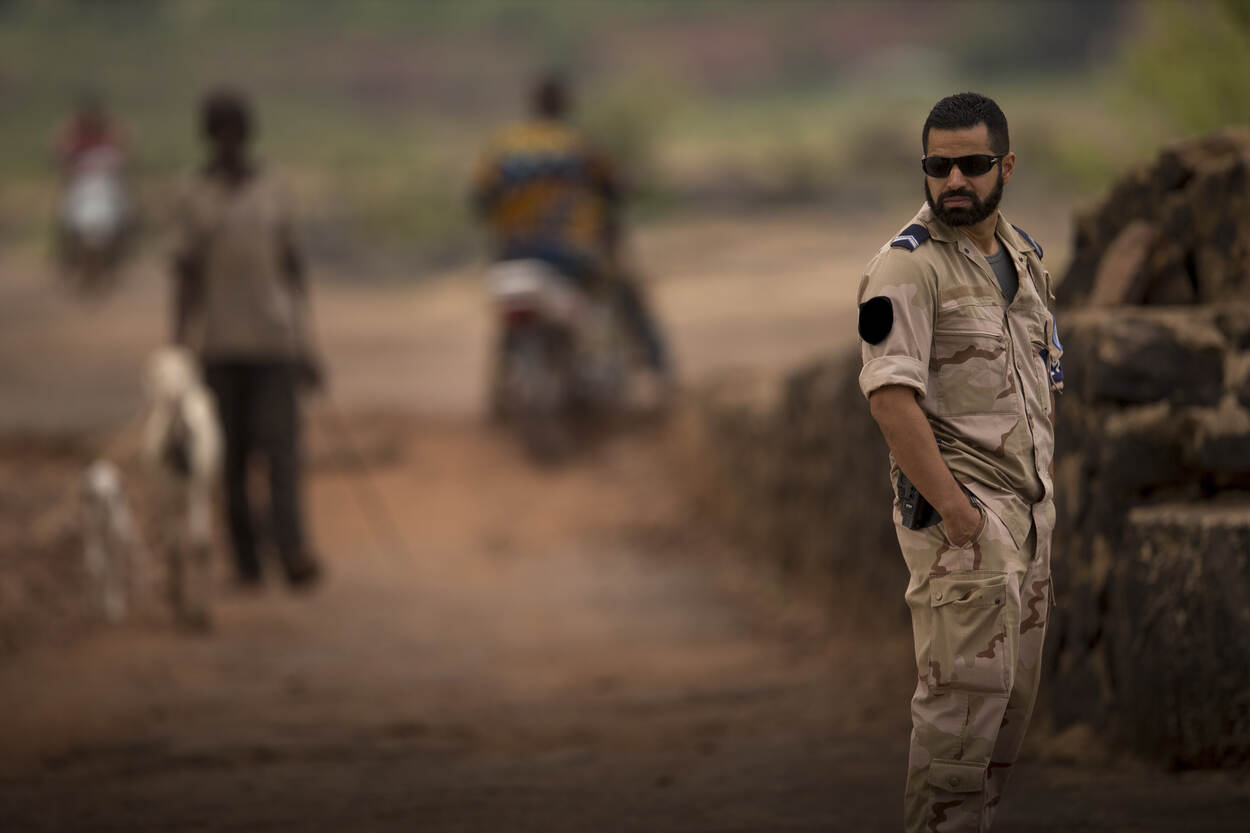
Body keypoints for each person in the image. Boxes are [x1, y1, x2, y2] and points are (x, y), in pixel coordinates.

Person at [857, 92, 1063, 832]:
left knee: (1001, 739)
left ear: (1004, 166)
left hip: (1029, 528)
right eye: (938, 166)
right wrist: (958, 513)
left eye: (972, 165)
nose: (954, 181)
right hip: (966, 537)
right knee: (956, 746)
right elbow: (889, 400)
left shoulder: (1025, 258)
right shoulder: (903, 270)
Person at [170, 88, 323, 589]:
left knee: (281, 451)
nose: (229, 140)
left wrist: (309, 344)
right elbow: (185, 273)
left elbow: (294, 267)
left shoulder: (274, 188)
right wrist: (177, 348)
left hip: (274, 343)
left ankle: (293, 548)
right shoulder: (193, 193)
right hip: (217, 345)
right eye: (221, 130)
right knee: (229, 459)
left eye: (237, 129)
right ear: (210, 135)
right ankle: (246, 560)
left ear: (248, 132)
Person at [471, 73, 673, 388]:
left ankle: (500, 390)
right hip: (570, 254)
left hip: (513, 252)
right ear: (564, 105)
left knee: (506, 323)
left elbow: (480, 199)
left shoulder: (503, 146)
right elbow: (613, 190)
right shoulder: (579, 145)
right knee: (623, 291)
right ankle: (657, 374)